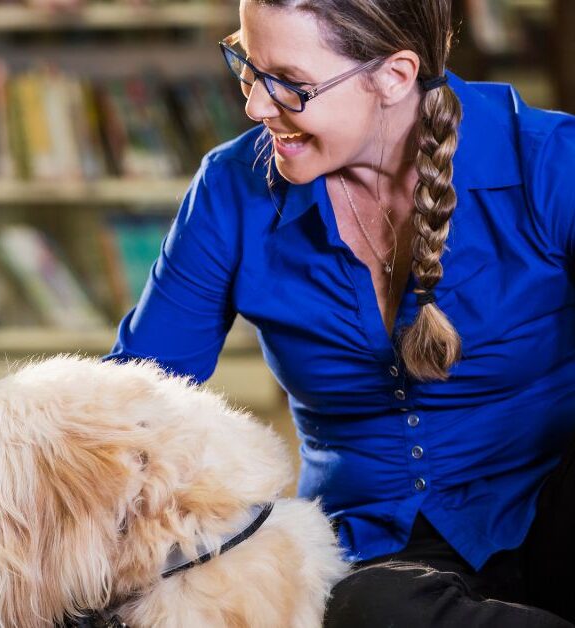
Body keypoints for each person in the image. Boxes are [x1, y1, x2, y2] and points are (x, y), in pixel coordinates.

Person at [105, 0, 575, 625]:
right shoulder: (230, 189)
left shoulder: (547, 160)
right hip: (380, 553)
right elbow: (132, 398)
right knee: (368, 610)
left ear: (395, 76)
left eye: (291, 85)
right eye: (247, 66)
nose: (255, 107)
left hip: (553, 511)